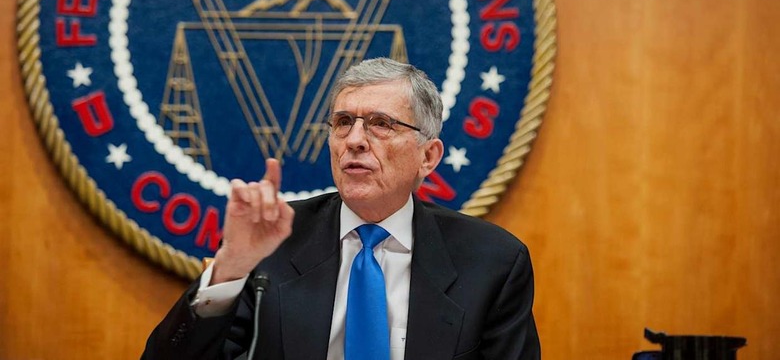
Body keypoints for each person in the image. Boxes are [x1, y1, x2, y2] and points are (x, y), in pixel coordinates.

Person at [142, 57, 540, 359]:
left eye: (381, 124)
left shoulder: (493, 263)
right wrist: (230, 268)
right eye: (343, 122)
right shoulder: (272, 244)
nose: (354, 140)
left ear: (428, 156)